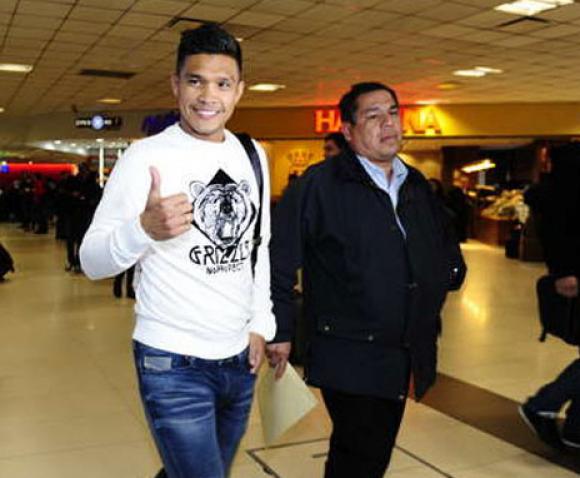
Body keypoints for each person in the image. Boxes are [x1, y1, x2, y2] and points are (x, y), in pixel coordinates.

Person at [80, 24, 275, 478]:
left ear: (239, 91)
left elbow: (259, 244)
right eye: (195, 81)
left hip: (239, 358)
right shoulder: (144, 157)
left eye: (222, 84)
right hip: (172, 362)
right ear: (175, 85)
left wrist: (260, 323)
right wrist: (142, 230)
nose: (208, 96)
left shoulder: (252, 155)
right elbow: (91, 261)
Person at [267, 82, 466, 478]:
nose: (387, 123)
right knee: (362, 451)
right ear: (348, 130)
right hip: (348, 347)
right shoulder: (319, 186)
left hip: (403, 348)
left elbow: (443, 241)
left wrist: (449, 273)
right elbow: (278, 260)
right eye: (373, 116)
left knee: (369, 453)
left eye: (392, 112)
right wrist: (279, 330)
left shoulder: (415, 185)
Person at [519, 142, 580, 450]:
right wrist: (564, 272)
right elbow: (560, 238)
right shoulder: (565, 195)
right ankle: (543, 404)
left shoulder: (556, 193)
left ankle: (576, 429)